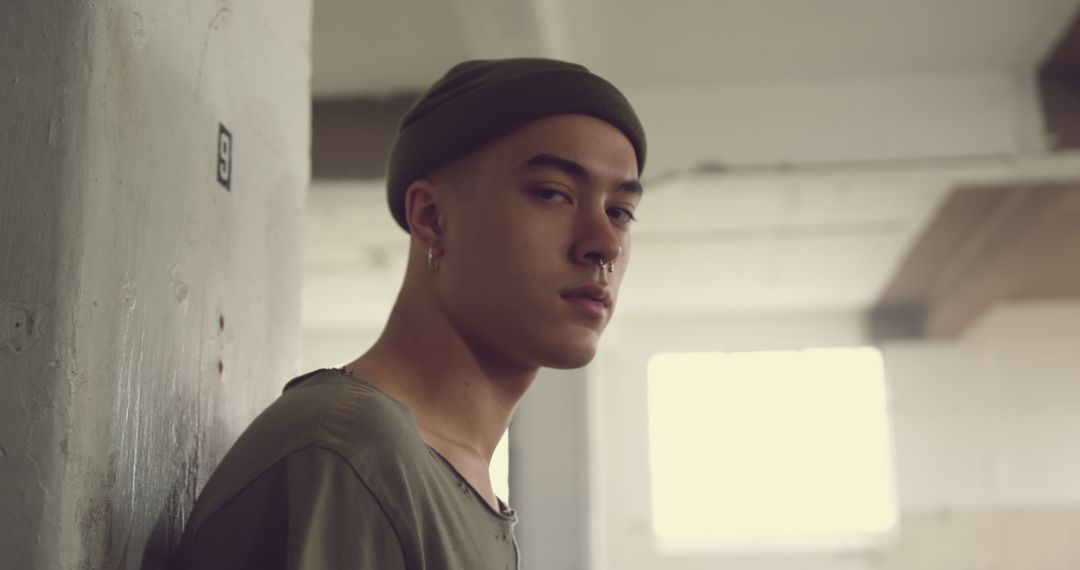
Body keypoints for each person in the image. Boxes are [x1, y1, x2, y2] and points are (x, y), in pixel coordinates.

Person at [173, 57, 646, 569]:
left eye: (620, 211)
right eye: (553, 194)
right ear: (431, 217)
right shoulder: (351, 454)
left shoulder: (448, 479)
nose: (604, 244)